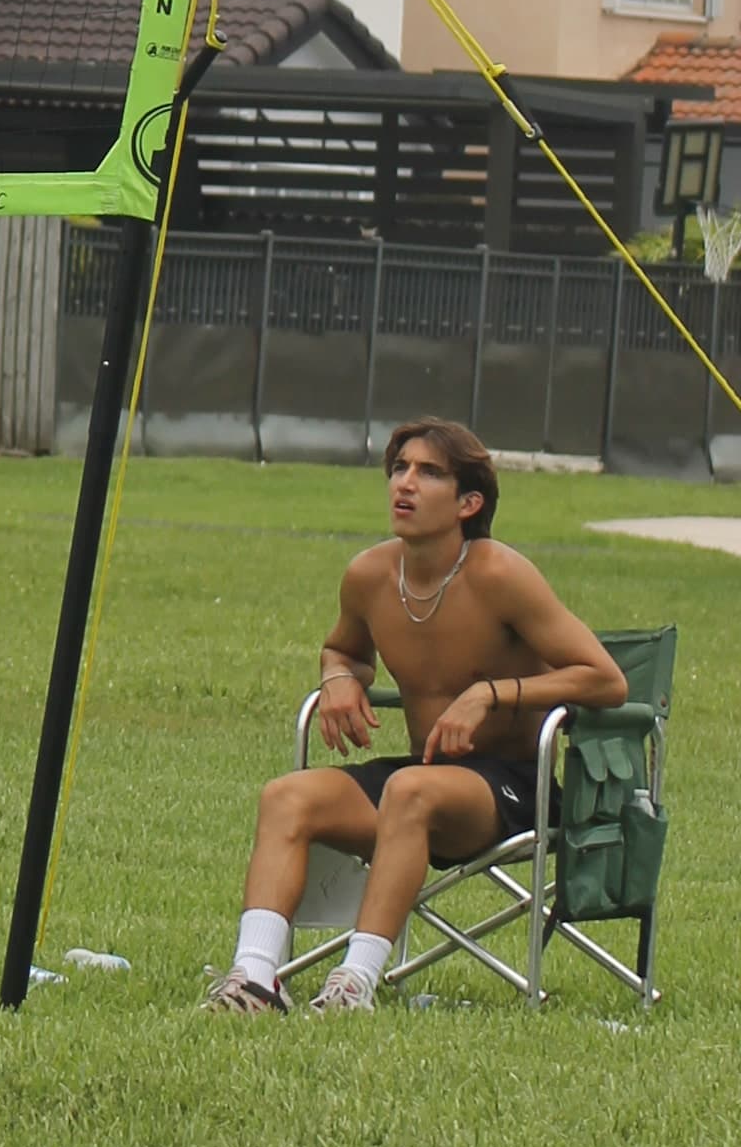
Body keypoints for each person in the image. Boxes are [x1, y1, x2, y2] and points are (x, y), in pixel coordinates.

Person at [207, 417, 627, 1015]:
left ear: (468, 502)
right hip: (423, 772)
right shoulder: (369, 576)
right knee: (286, 796)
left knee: (409, 791)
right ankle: (253, 982)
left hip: (510, 786)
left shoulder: (499, 573)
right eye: (399, 468)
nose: (406, 483)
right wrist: (338, 679)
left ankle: (355, 985)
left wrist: (491, 694)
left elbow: (606, 679)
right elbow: (345, 650)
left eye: (429, 472)